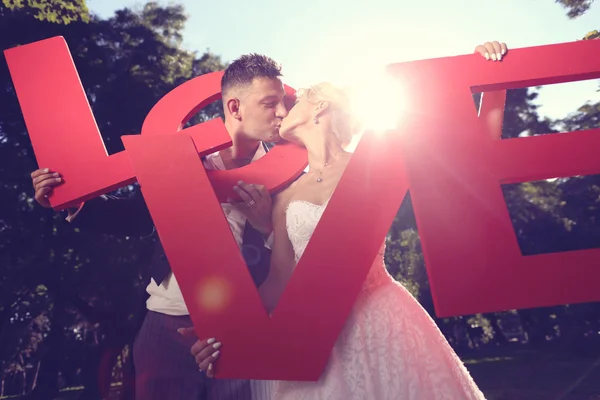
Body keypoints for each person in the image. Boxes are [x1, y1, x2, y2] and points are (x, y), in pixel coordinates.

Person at [190, 41, 508, 399]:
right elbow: (279, 283)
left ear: (319, 105)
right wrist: (224, 332)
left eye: (293, 103)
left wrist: (492, 82)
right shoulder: (286, 198)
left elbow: (472, 158)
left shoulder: (380, 160)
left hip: (385, 325)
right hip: (315, 345)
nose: (281, 112)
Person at [29, 53, 289, 400]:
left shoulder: (288, 173)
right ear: (236, 107)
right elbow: (136, 216)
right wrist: (74, 201)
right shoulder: (181, 156)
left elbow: (298, 258)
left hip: (242, 328)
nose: (282, 113)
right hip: (164, 324)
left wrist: (267, 227)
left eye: (283, 103)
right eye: (270, 104)